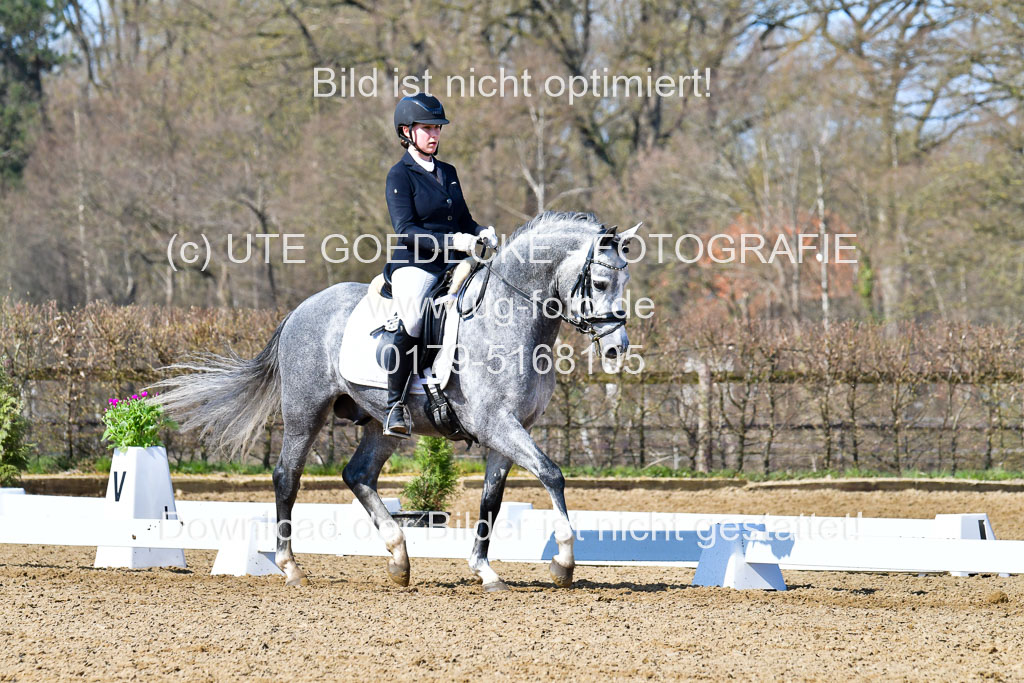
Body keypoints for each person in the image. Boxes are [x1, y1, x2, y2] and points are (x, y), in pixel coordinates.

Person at [381, 93, 498, 438]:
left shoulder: (448, 172)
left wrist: (480, 231)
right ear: (407, 132)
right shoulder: (399, 175)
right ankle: (394, 405)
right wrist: (453, 242)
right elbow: (406, 230)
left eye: (437, 128)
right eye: (427, 128)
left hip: (454, 263)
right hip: (416, 263)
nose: (434, 134)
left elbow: (463, 220)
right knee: (413, 317)